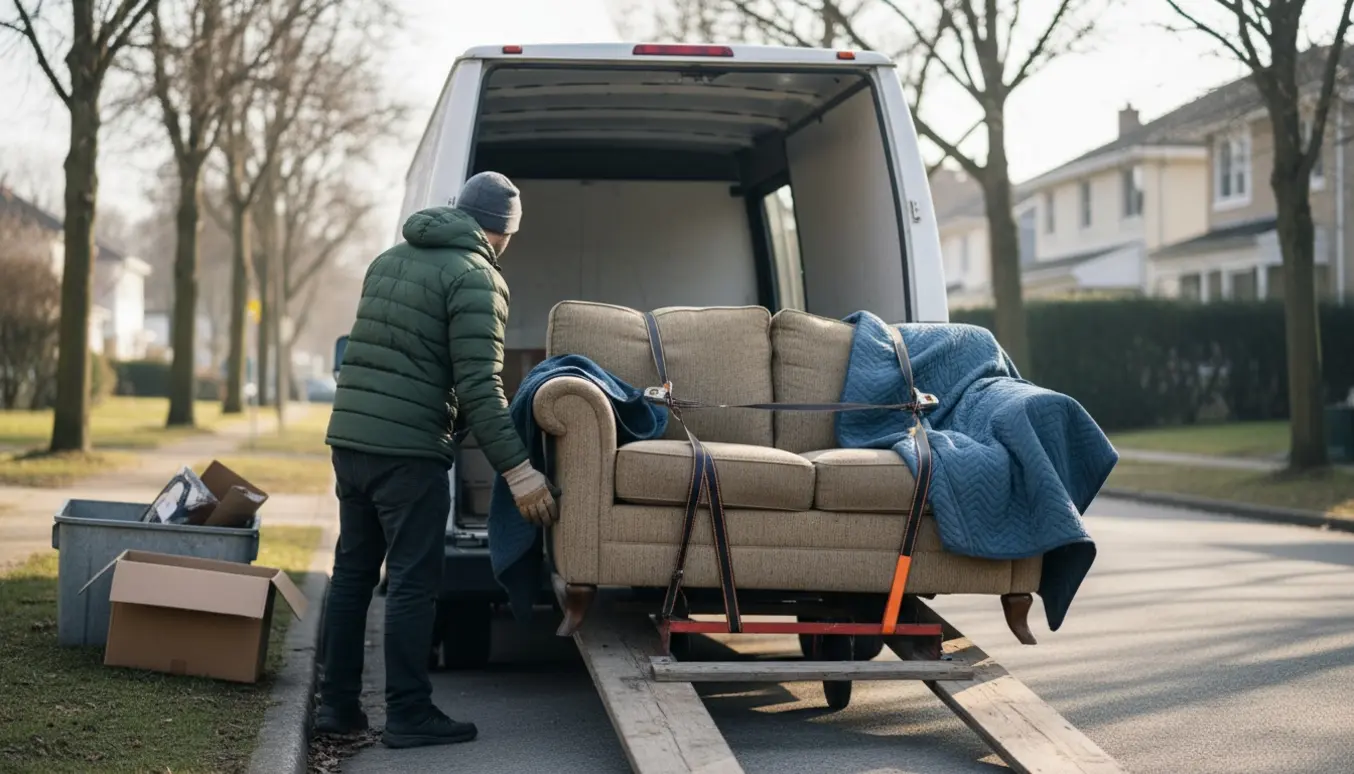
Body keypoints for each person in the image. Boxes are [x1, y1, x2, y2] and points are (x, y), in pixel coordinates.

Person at [318, 171, 559, 749]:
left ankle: (337, 708)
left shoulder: (388, 260)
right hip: (407, 455)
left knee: (352, 575)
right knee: (410, 582)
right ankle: (408, 712)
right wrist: (520, 472)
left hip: (350, 443)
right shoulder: (478, 277)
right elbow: (479, 386)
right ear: (504, 232)